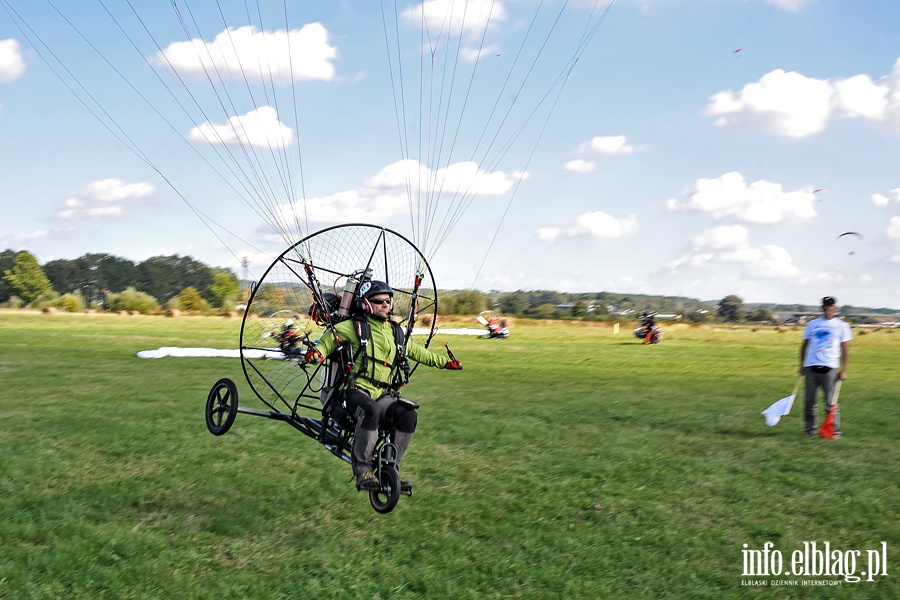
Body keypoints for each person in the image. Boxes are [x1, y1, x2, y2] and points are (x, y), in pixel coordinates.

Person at [309, 280, 461, 491]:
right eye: (380, 301)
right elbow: (327, 343)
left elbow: (417, 352)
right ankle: (363, 470)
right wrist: (316, 354)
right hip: (356, 391)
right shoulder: (352, 328)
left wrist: (445, 363)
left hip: (383, 394)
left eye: (388, 301)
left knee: (408, 414)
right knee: (370, 411)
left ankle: (390, 468)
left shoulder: (394, 332)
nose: (386, 305)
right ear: (366, 304)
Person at [799, 296, 852, 438]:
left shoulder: (842, 326)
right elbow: (804, 345)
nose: (827, 308)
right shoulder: (812, 324)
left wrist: (844, 370)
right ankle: (809, 431)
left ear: (835, 308)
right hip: (811, 367)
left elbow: (845, 349)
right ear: (822, 307)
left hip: (830, 368)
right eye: (825, 306)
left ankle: (833, 431)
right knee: (809, 401)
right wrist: (802, 365)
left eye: (830, 306)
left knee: (830, 402)